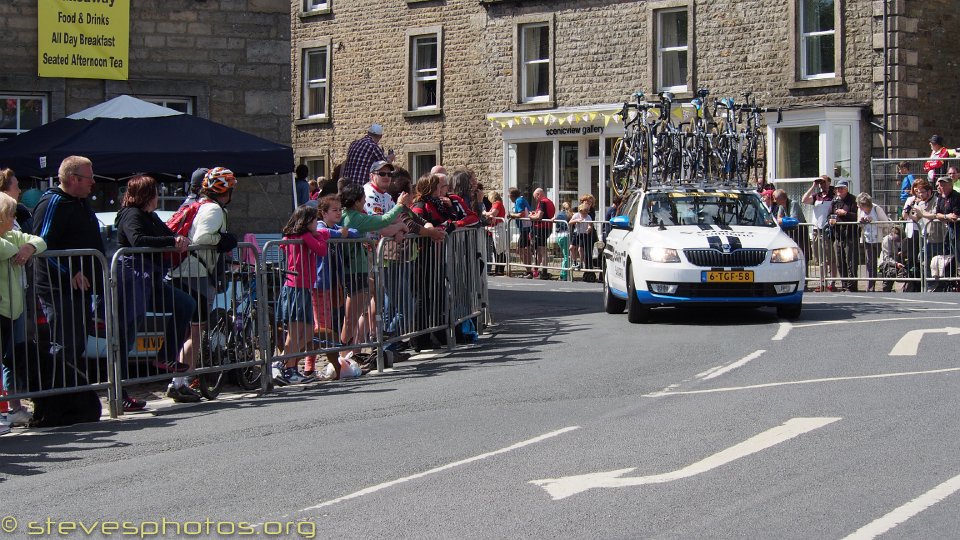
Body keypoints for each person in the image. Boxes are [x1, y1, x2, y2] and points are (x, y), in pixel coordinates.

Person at [114, 176, 197, 408]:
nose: (158, 197)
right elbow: (137, 239)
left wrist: (178, 239)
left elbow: (167, 233)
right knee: (126, 336)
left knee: (184, 304)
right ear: (147, 194)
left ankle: (165, 356)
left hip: (151, 281)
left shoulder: (150, 216)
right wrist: (171, 239)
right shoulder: (131, 214)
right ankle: (119, 394)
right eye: (156, 192)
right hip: (132, 281)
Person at [33, 156, 105, 394]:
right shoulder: (53, 202)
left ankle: (73, 394)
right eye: (89, 177)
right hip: (58, 288)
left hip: (81, 289)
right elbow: (43, 245)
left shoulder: (81, 203)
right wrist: (70, 271)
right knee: (63, 343)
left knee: (76, 344)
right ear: (74, 179)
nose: (93, 182)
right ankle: (57, 395)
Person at [168, 167, 238, 402]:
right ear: (225, 190)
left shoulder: (199, 205)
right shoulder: (214, 209)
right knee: (195, 331)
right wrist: (224, 240)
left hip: (185, 271)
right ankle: (181, 381)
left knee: (189, 330)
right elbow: (203, 239)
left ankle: (179, 380)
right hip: (195, 273)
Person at [339, 183, 410, 359]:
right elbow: (383, 221)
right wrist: (400, 205)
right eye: (362, 198)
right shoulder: (354, 217)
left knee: (360, 309)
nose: (365, 200)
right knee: (351, 317)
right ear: (356, 201)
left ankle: (355, 350)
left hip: (357, 268)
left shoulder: (351, 215)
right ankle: (342, 356)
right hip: (355, 270)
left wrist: (399, 226)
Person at [0, 191, 45, 426]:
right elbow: (5, 250)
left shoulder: (12, 235)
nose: (13, 219)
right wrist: (20, 248)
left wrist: (28, 247)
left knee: (11, 360)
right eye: (10, 215)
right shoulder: (9, 240)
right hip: (2, 309)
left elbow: (40, 240)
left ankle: (14, 407)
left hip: (14, 310)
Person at [273, 205, 331, 384]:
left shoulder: (301, 236)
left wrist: (318, 234)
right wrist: (314, 236)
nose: (317, 224)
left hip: (304, 287)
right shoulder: (302, 236)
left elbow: (325, 235)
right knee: (296, 331)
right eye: (314, 220)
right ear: (306, 222)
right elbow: (321, 250)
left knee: (306, 333)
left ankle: (282, 363)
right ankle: (288, 368)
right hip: (295, 286)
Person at [801, 175, 838, 291]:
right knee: (820, 258)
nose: (822, 185)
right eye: (820, 183)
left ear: (829, 182)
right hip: (817, 230)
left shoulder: (833, 196)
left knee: (830, 257)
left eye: (824, 182)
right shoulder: (817, 196)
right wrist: (813, 186)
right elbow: (804, 200)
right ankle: (822, 281)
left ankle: (831, 282)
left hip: (827, 229)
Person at [902, 178, 937, 292]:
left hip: (936, 236)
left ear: (929, 192)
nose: (920, 194)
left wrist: (920, 213)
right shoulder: (920, 202)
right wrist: (909, 213)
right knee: (921, 260)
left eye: (922, 192)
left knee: (931, 262)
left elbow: (934, 215)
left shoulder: (936, 200)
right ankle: (924, 286)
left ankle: (932, 286)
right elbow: (917, 218)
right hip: (924, 235)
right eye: (918, 192)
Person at [856, 192, 890, 292]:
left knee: (882, 262)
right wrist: (861, 222)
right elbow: (859, 223)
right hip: (867, 239)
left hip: (878, 239)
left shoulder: (876, 209)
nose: (861, 208)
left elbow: (887, 224)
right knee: (870, 262)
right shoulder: (860, 210)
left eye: (862, 206)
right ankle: (870, 285)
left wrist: (873, 222)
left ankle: (886, 284)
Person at [831, 180, 859, 292]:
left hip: (850, 235)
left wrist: (845, 213)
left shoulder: (853, 200)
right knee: (840, 262)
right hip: (838, 235)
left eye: (841, 188)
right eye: (837, 188)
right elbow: (830, 214)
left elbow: (857, 216)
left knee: (851, 261)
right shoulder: (835, 201)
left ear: (846, 189)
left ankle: (852, 285)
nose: (839, 190)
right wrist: (830, 219)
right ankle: (844, 284)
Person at [774, 189, 808, 262]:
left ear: (781, 199)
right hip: (790, 230)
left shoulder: (793, 203)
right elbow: (778, 218)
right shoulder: (781, 206)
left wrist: (783, 220)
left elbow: (793, 219)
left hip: (800, 230)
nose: (774, 201)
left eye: (776, 199)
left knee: (802, 252)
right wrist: (784, 220)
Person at [528, 188, 555, 279]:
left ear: (539, 194)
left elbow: (539, 216)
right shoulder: (550, 202)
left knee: (542, 251)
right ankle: (537, 270)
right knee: (540, 251)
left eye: (535, 197)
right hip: (547, 228)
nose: (535, 199)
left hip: (541, 228)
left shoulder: (542, 202)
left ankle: (544, 272)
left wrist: (531, 216)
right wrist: (535, 213)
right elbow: (544, 214)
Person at [507, 188, 532, 277]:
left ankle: (529, 271)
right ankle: (529, 270)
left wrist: (511, 215)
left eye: (508, 195)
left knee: (520, 250)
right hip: (526, 228)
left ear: (512, 195)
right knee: (526, 250)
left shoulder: (519, 201)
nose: (508, 197)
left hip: (526, 228)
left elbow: (521, 214)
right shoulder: (521, 200)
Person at [484, 190, 507, 275]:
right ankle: (498, 269)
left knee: (499, 249)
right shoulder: (497, 204)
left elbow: (493, 214)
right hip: (496, 228)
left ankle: (500, 270)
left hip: (498, 228)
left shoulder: (497, 203)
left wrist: (485, 213)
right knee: (497, 249)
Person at [878, 226, 904, 292]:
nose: (899, 241)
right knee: (892, 271)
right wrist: (896, 263)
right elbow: (887, 257)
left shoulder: (897, 240)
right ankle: (886, 290)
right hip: (885, 263)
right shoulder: (887, 240)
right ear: (892, 234)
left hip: (895, 261)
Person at [569, 203, 593, 272]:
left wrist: (589, 228)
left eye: (586, 212)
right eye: (583, 212)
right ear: (580, 211)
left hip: (584, 234)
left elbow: (590, 225)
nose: (585, 214)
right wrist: (576, 221)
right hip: (576, 233)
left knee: (580, 249)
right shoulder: (576, 215)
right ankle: (574, 262)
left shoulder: (588, 217)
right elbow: (570, 222)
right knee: (571, 248)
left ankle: (581, 263)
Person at [555, 201, 571, 280]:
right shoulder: (568, 215)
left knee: (565, 256)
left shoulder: (559, 214)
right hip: (565, 236)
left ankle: (564, 273)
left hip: (559, 236)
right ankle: (564, 274)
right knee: (566, 256)